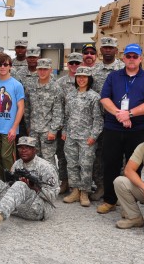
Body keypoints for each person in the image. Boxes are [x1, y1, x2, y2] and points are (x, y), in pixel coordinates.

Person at [98, 43, 144, 214]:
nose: (131, 59)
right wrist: (120, 114)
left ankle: (129, 204)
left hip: (137, 130)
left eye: (135, 56)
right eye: (128, 56)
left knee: (134, 167)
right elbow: (104, 98)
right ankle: (110, 200)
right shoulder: (113, 76)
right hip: (113, 128)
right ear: (123, 58)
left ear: (141, 58)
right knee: (111, 164)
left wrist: (130, 114)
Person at [62, 66, 103, 207]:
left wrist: (94, 135)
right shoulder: (70, 95)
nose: (81, 79)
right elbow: (67, 116)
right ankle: (75, 191)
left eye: (84, 77)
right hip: (71, 136)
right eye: (79, 76)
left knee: (85, 165)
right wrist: (64, 132)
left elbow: (98, 119)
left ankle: (85, 192)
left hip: (87, 137)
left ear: (89, 79)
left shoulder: (94, 97)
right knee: (72, 164)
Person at [90, 36, 125, 201]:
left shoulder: (123, 69)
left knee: (119, 156)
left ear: (116, 50)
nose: (108, 50)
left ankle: (120, 189)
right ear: (101, 50)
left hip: (118, 119)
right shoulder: (94, 71)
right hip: (97, 119)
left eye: (111, 47)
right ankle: (101, 185)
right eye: (105, 47)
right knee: (98, 154)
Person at [0, 53, 25, 181]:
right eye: (0, 64)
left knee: (7, 156)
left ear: (10, 66)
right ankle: (3, 180)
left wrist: (14, 128)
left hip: (9, 128)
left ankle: (13, 181)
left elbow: (21, 107)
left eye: (5, 64)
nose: (3, 67)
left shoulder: (16, 85)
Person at [24, 58, 63, 169]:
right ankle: (37, 185)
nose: (42, 72)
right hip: (33, 131)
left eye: (45, 69)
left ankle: (52, 185)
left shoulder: (56, 88)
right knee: (34, 159)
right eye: (40, 69)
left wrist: (53, 130)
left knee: (48, 161)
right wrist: (28, 127)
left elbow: (58, 112)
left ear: (50, 70)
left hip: (48, 131)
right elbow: (27, 108)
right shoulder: (31, 87)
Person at [54, 52, 83, 194]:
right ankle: (64, 181)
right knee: (62, 156)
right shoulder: (60, 82)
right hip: (63, 125)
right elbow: (57, 105)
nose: (74, 66)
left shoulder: (86, 81)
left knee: (79, 158)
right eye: (71, 63)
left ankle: (78, 186)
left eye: (77, 63)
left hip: (81, 126)